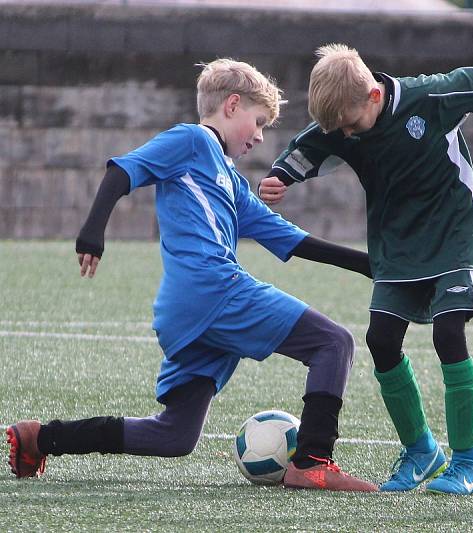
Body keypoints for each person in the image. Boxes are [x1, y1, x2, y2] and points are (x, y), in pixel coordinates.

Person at [6, 58, 377, 492]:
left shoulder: (230, 180)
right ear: (232, 105)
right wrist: (92, 231)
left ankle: (43, 437)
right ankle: (312, 461)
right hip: (214, 290)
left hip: (188, 312)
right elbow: (122, 170)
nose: (259, 137)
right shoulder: (193, 141)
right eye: (257, 123)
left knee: (175, 436)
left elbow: (291, 239)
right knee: (334, 342)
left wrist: (369, 265)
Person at [259, 44, 473, 495]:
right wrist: (281, 176)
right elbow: (309, 145)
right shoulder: (344, 118)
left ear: (375, 97)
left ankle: (467, 461)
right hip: (395, 239)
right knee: (380, 338)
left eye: (350, 123)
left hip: (454, 228)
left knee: (448, 332)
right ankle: (421, 450)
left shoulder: (429, 97)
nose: (345, 132)